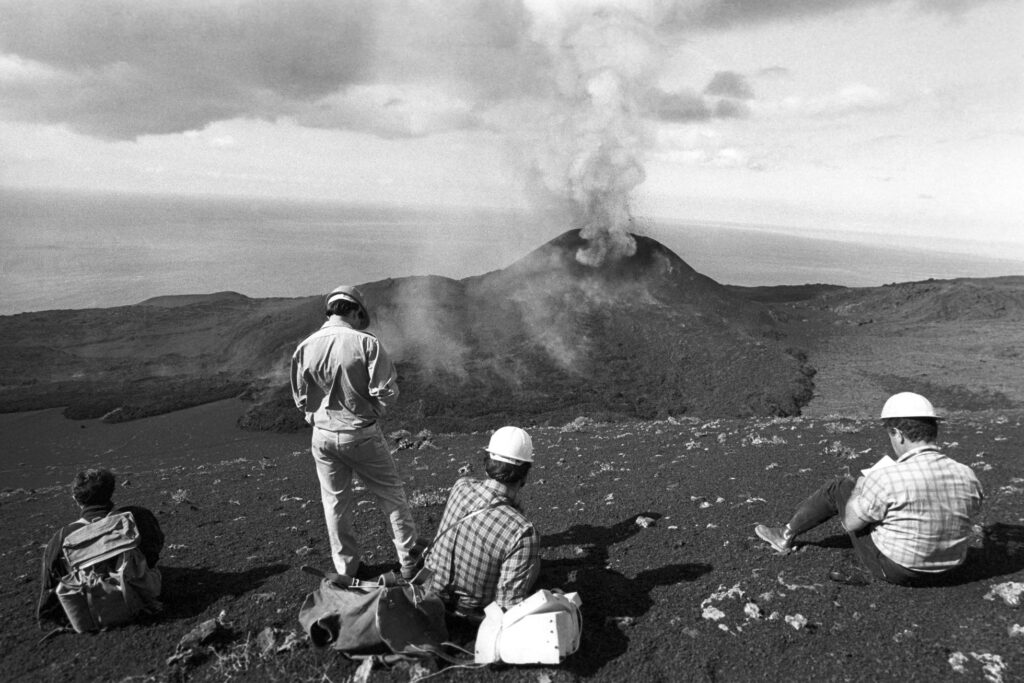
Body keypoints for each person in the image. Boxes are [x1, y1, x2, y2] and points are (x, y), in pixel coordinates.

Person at [754, 392, 984, 586]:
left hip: (900, 570)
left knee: (840, 487)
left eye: (890, 435)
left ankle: (785, 534)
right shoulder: (967, 474)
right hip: (952, 569)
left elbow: (851, 523)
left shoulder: (888, 477)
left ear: (900, 435)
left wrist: (861, 488)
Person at [291, 284, 420, 579]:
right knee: (391, 495)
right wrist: (372, 411)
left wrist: (318, 415)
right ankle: (410, 562)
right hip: (361, 432)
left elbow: (300, 399)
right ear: (355, 310)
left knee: (335, 502)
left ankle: (347, 569)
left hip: (322, 435)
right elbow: (386, 392)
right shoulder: (366, 343)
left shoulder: (305, 347)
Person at [424, 426, 541, 620]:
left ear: (487, 464)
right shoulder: (523, 532)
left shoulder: (460, 486)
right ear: (525, 474)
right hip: (469, 614)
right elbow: (507, 606)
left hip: (429, 593)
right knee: (535, 562)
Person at [37, 468, 164, 627]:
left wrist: (46, 614)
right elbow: (154, 550)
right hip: (142, 593)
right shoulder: (137, 516)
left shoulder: (61, 537)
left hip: (90, 607)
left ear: (76, 499)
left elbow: (50, 583)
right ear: (111, 491)